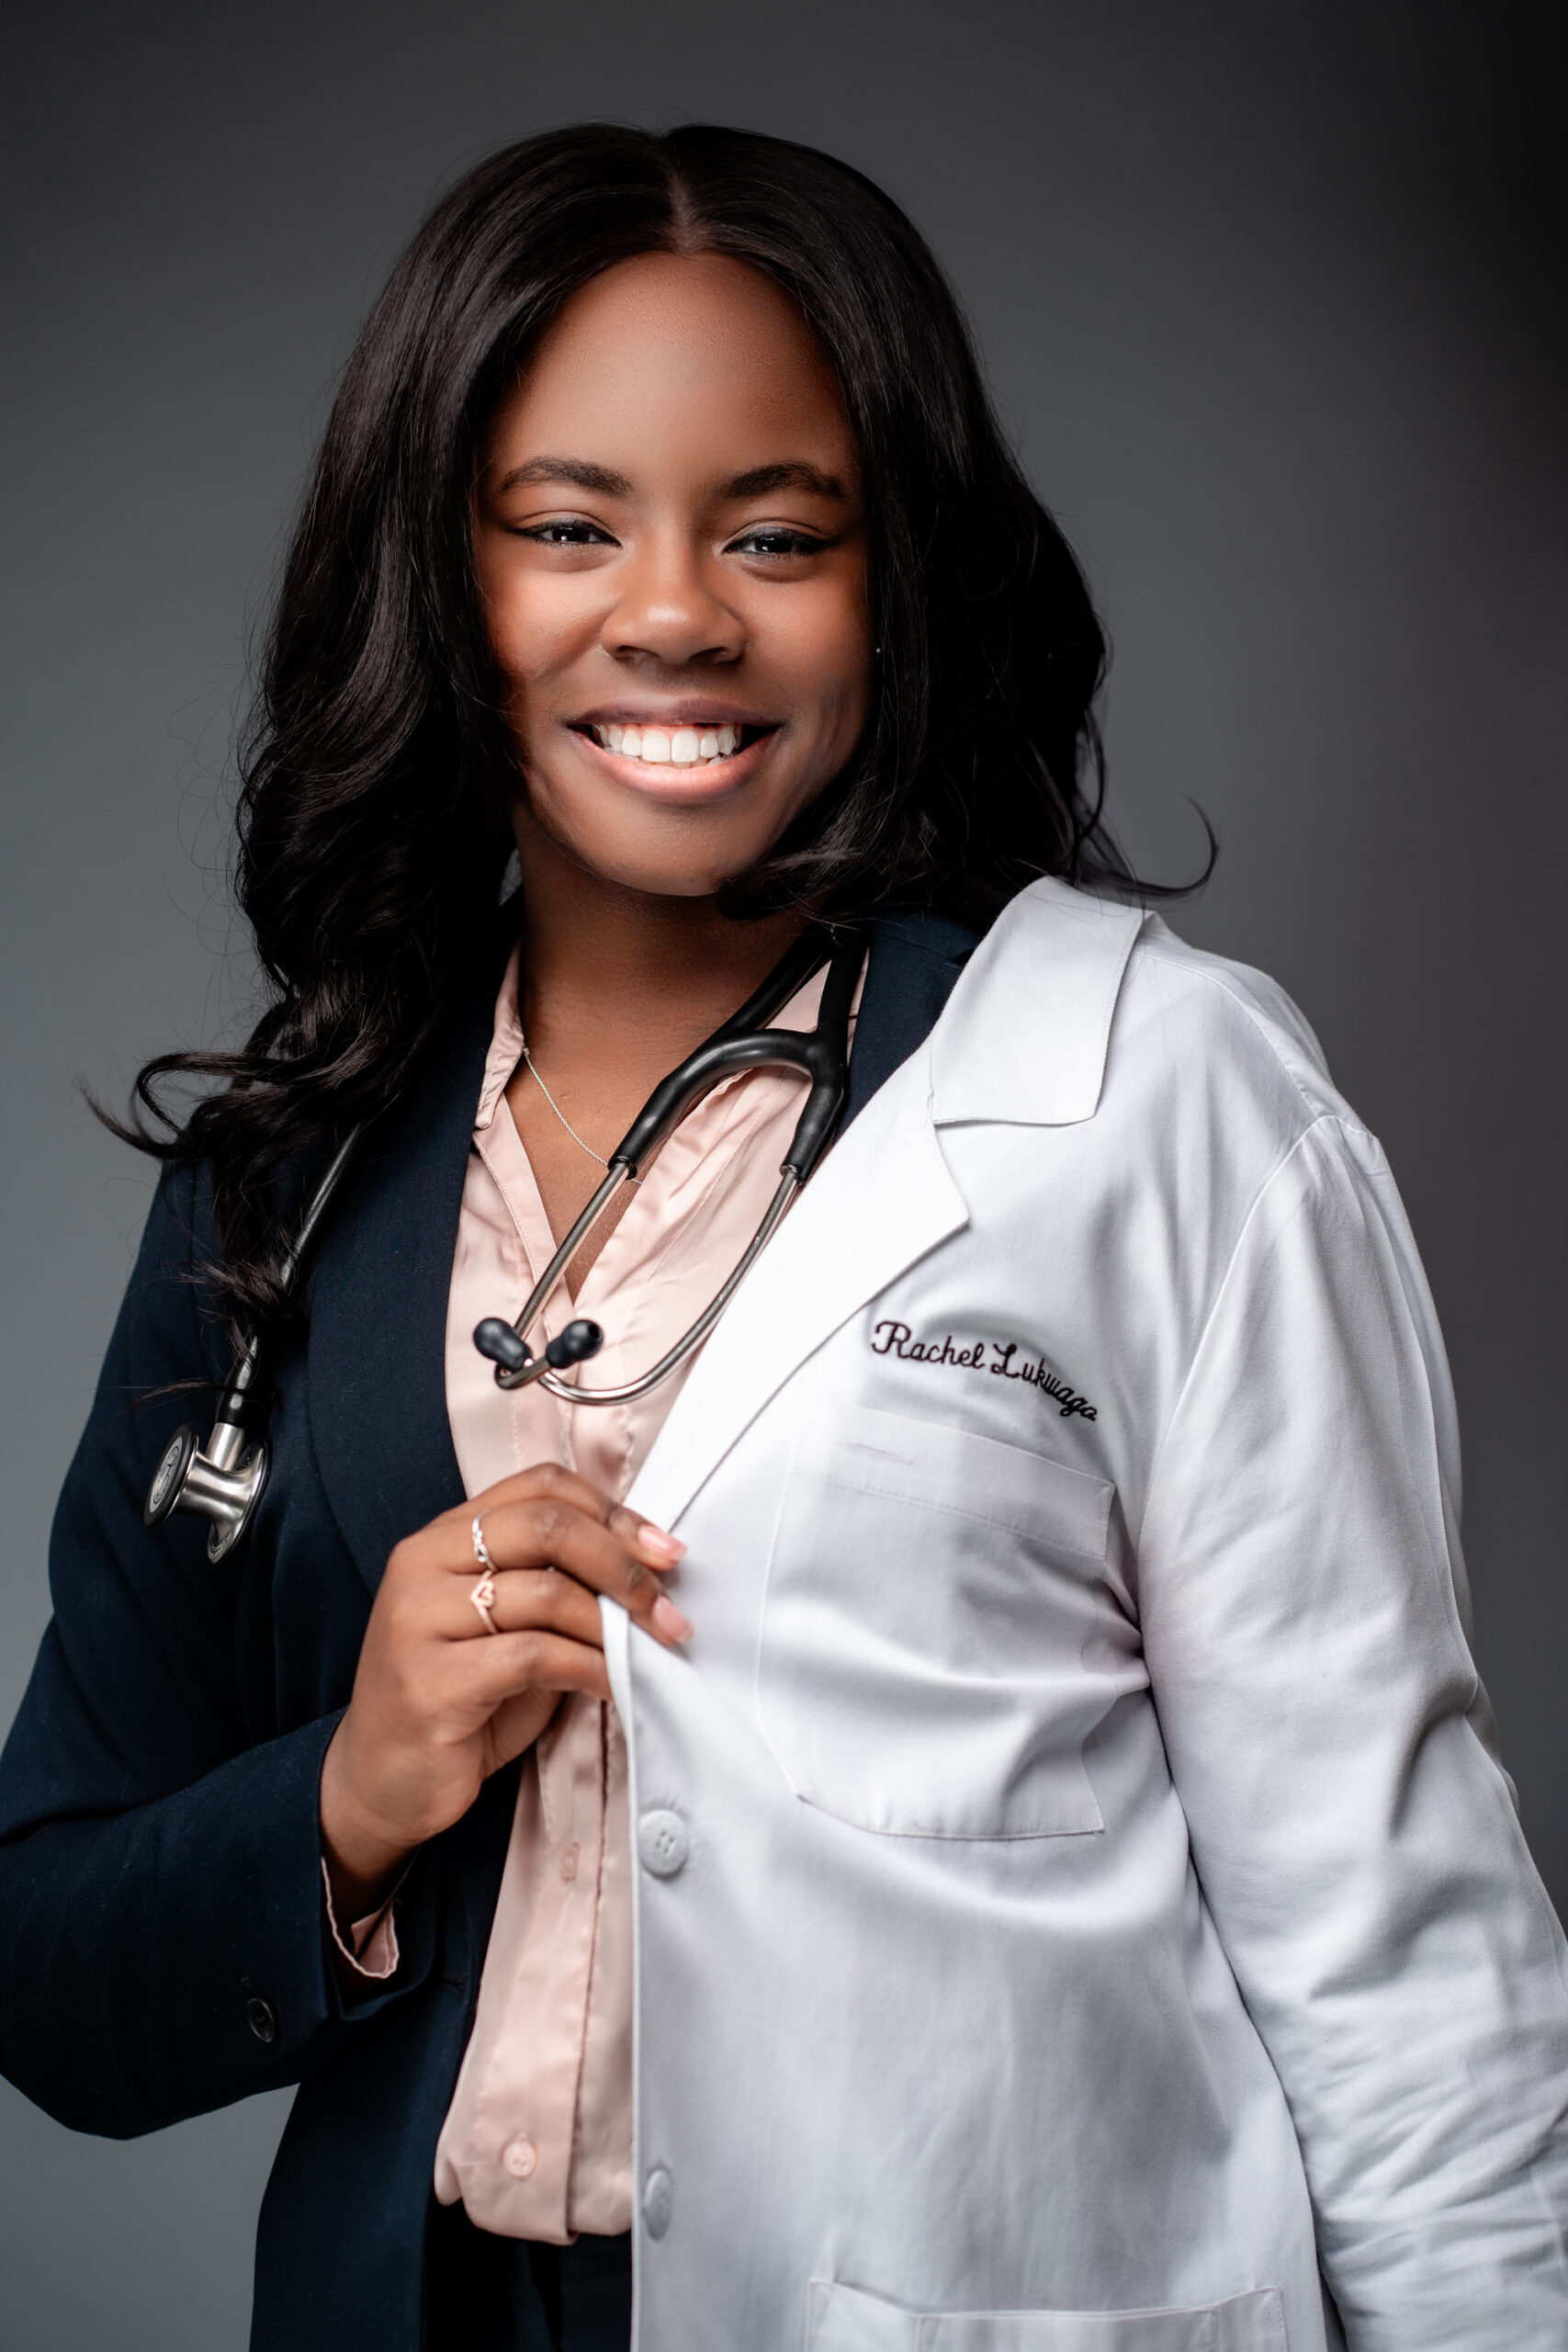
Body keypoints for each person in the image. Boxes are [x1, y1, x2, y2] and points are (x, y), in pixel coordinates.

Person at [1, 121, 1564, 2352]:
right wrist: (341, 1804)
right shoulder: (295, 1170)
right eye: (565, 524)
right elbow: (50, 1955)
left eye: (773, 530)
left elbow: (1405, 1973)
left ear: (893, 574)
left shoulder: (1151, 1095)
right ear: (439, 578)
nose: (671, 609)